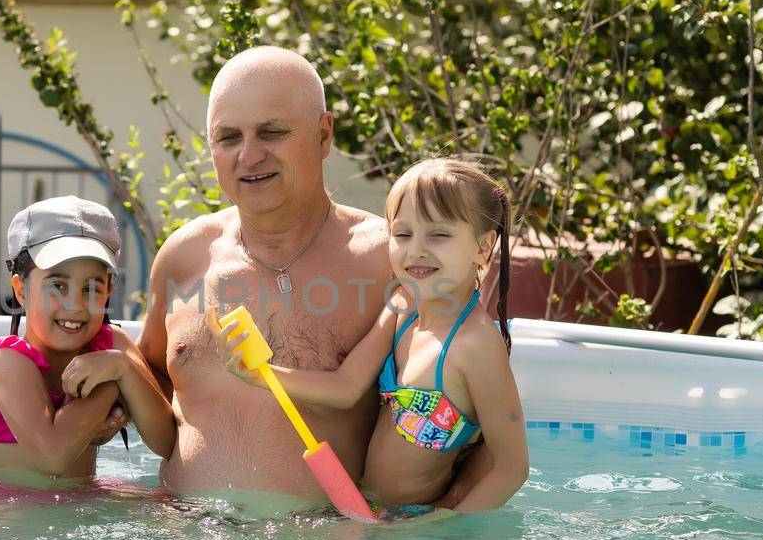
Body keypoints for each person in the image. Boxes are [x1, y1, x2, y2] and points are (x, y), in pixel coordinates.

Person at [136, 46, 392, 504]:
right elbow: (149, 378)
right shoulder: (183, 257)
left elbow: (456, 416)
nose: (248, 156)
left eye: (271, 132)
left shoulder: (386, 261)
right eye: (228, 137)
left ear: (323, 134)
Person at [215, 157, 529, 511]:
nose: (417, 250)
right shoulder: (402, 307)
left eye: (439, 234)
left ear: (483, 247)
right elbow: (346, 387)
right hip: (368, 513)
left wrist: (443, 527)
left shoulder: (474, 346)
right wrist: (263, 375)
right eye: (403, 234)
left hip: (420, 526)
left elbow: (511, 468)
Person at [0, 196, 174, 481]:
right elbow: (53, 455)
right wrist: (113, 385)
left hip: (81, 508)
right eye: (58, 286)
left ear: (109, 290)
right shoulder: (6, 363)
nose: (75, 305)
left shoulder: (114, 347)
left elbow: (167, 443)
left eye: (91, 288)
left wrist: (123, 368)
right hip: (3, 515)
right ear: (21, 290)